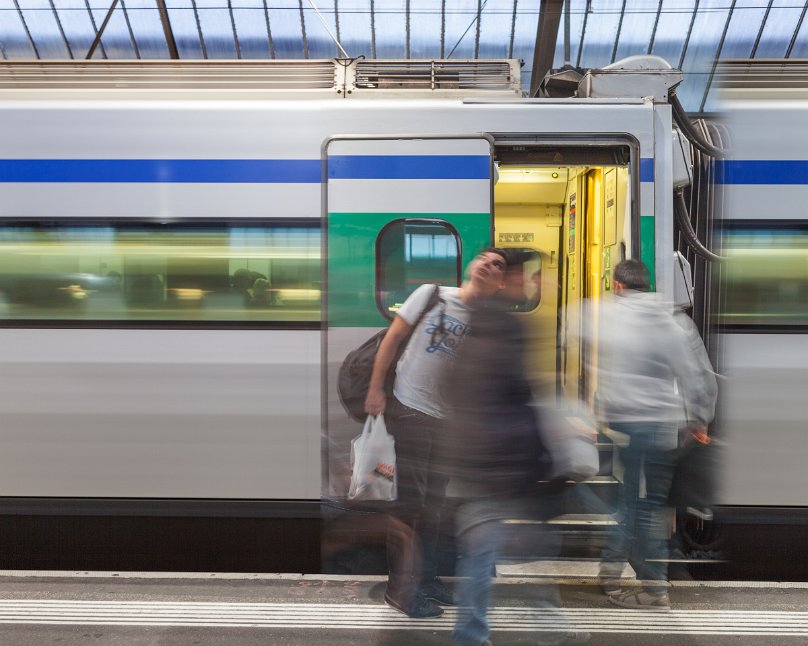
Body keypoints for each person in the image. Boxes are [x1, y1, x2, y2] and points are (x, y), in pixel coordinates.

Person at [441, 262, 589, 646]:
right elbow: (517, 393)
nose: (528, 283)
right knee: (535, 547)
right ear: (504, 282)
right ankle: (551, 629)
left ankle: (472, 636)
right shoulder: (508, 327)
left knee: (479, 555)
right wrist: (547, 443)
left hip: (472, 459)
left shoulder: (468, 326)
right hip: (504, 463)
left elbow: (454, 388)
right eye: (522, 277)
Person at [364, 248, 509, 619]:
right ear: (472, 266)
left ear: (501, 282)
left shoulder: (486, 320)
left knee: (434, 508)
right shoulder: (431, 294)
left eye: (499, 265)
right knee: (411, 506)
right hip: (410, 409)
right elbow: (393, 339)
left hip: (447, 422)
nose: (489, 265)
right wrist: (376, 389)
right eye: (485, 259)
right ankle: (401, 590)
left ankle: (425, 580)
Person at [591, 259, 717, 610]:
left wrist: (598, 413)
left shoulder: (612, 318)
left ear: (617, 285)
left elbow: (604, 372)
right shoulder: (672, 320)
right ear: (645, 284)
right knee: (638, 504)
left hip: (634, 430)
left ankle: (652, 589)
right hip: (662, 428)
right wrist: (701, 418)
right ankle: (613, 572)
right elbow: (698, 377)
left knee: (639, 506)